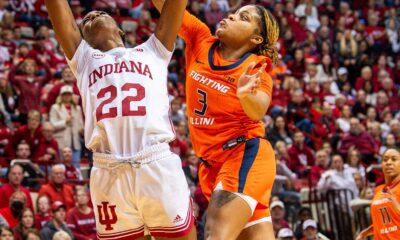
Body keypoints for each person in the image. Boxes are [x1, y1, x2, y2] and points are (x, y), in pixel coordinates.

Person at [44, 0, 195, 239]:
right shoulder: (83, 59)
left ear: (121, 30)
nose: (93, 14)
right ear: (82, 39)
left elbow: (176, 5)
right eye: (85, 21)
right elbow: (57, 9)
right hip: (108, 169)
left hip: (155, 162)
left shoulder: (153, 50)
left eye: (101, 12)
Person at [153, 0, 279, 239]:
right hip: (211, 165)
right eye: (234, 13)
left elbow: (259, 109)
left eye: (244, 18)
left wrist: (246, 96)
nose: (231, 16)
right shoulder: (200, 37)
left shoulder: (255, 68)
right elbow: (166, 6)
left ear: (256, 40)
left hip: (244, 155)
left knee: (215, 235)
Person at [356, 148, 400, 240]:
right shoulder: (378, 190)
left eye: (394, 159)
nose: (388, 162)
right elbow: (386, 220)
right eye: (385, 160)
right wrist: (366, 232)